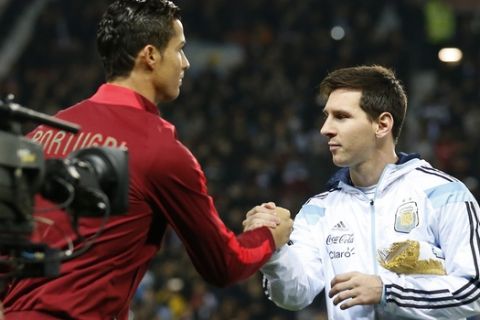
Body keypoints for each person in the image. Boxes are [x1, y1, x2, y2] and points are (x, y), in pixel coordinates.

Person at [0, 1, 292, 319]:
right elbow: (224, 264)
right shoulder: (160, 150)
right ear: (150, 56)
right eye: (179, 49)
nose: (186, 63)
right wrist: (270, 236)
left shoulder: (40, 136)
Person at [247, 65, 480, 319]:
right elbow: (294, 296)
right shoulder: (319, 210)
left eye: (341, 116)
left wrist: (388, 291)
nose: (326, 128)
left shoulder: (444, 195)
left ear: (382, 125)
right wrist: (274, 251)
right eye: (326, 116)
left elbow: (473, 290)